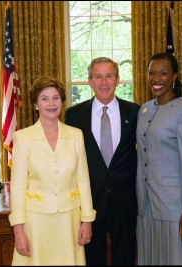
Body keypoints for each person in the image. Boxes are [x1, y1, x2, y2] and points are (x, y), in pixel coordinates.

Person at [8, 76, 96, 265]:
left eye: (56, 98)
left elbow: (83, 181)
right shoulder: (22, 138)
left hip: (69, 221)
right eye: (44, 98)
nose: (51, 103)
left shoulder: (75, 135)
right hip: (36, 222)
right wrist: (18, 229)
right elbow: (17, 187)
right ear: (35, 104)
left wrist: (87, 220)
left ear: (62, 102)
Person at [64, 57, 140, 266]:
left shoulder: (135, 113)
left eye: (109, 76)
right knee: (91, 259)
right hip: (89, 203)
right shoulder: (73, 115)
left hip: (125, 203)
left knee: (125, 258)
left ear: (117, 80)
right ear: (89, 81)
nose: (104, 82)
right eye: (98, 76)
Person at [136, 52, 182, 265]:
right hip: (146, 204)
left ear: (174, 76)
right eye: (152, 73)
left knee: (177, 259)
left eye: (163, 73)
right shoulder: (145, 109)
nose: (156, 79)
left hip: (174, 206)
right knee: (152, 257)